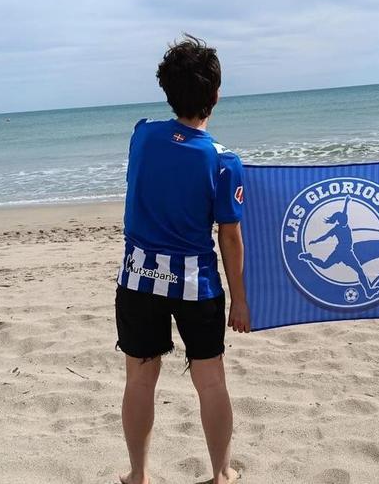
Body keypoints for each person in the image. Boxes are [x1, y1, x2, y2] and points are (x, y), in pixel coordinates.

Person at [114, 34, 249, 484]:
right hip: (197, 286)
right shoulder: (223, 161)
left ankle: (139, 475)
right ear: (216, 95)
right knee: (210, 382)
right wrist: (240, 299)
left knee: (139, 380)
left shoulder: (143, 134)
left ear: (167, 91)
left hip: (137, 278)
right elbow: (229, 236)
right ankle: (221, 473)